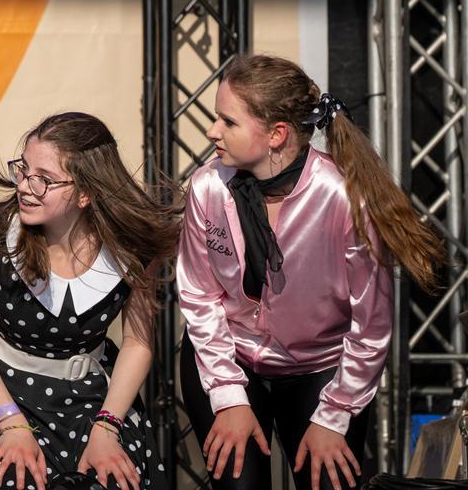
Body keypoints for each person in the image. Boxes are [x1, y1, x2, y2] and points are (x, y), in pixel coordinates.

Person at [177, 53, 445, 490]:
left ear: (277, 134)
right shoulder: (207, 186)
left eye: (228, 121)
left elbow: (371, 326)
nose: (212, 131)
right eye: (215, 118)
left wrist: (334, 415)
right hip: (229, 355)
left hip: (321, 370)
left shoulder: (344, 199)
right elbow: (199, 296)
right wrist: (228, 396)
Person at [0, 112, 177, 490]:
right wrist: (11, 423)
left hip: (93, 403)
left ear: (85, 193)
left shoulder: (131, 250)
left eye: (44, 179)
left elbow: (138, 344)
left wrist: (107, 426)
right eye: (23, 169)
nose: (24, 186)